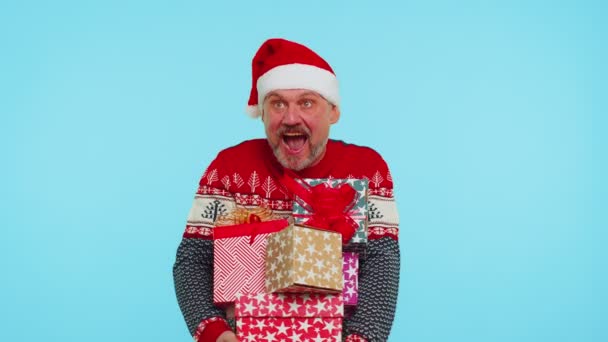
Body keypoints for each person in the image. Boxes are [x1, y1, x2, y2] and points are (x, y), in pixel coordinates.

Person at [173, 38, 400, 342]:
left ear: (333, 112)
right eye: (278, 103)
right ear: (263, 113)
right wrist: (217, 335)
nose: (291, 118)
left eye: (306, 102)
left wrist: (361, 339)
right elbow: (193, 261)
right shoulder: (228, 168)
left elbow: (381, 266)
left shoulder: (367, 169)